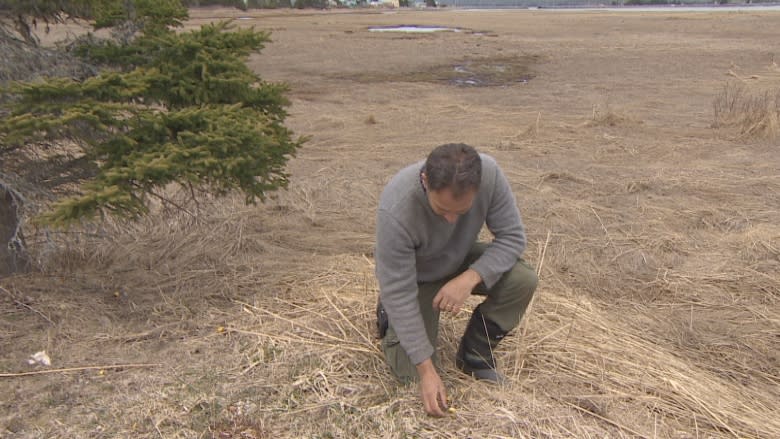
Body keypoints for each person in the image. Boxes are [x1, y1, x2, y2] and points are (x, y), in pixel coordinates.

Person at [375, 143, 538, 417]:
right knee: (414, 379)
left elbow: (513, 238)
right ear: (425, 180)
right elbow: (399, 291)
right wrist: (426, 371)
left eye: (461, 212)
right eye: (442, 210)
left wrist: (470, 278)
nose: (451, 220)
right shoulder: (396, 208)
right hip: (415, 279)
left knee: (522, 279)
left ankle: (475, 356)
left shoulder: (490, 175)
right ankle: (387, 315)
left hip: (457, 260)